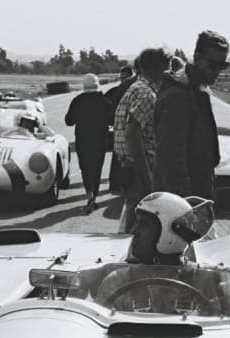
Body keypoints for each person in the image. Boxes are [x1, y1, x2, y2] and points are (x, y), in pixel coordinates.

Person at [153, 30, 230, 200]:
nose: (217, 71)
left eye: (222, 65)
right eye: (212, 65)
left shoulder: (196, 89)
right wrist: (189, 206)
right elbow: (171, 161)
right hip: (183, 202)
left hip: (198, 193)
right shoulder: (178, 96)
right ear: (197, 58)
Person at [113, 48, 168, 232]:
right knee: (138, 218)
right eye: (166, 68)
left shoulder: (136, 88)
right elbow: (132, 135)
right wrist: (147, 175)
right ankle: (125, 246)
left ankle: (124, 243)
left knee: (131, 211)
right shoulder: (146, 94)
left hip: (128, 164)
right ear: (158, 69)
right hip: (137, 167)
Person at [65, 74, 115, 213]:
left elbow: (69, 121)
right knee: (97, 168)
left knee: (85, 168)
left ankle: (89, 194)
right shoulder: (104, 101)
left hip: (83, 139)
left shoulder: (78, 100)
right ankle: (95, 196)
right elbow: (112, 120)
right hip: (100, 139)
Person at [104, 65, 136, 195]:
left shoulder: (132, 89)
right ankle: (116, 185)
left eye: (125, 78)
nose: (123, 80)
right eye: (121, 78)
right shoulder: (115, 91)